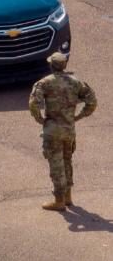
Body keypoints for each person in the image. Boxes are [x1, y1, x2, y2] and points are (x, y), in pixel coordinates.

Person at [29, 52, 97, 211]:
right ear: (64, 65)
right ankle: (68, 197)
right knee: (67, 160)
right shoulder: (76, 82)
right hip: (69, 129)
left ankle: (59, 201)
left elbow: (33, 103)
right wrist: (79, 116)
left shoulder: (44, 83)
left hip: (53, 129)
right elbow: (92, 101)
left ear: (51, 66)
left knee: (56, 164)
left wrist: (40, 119)